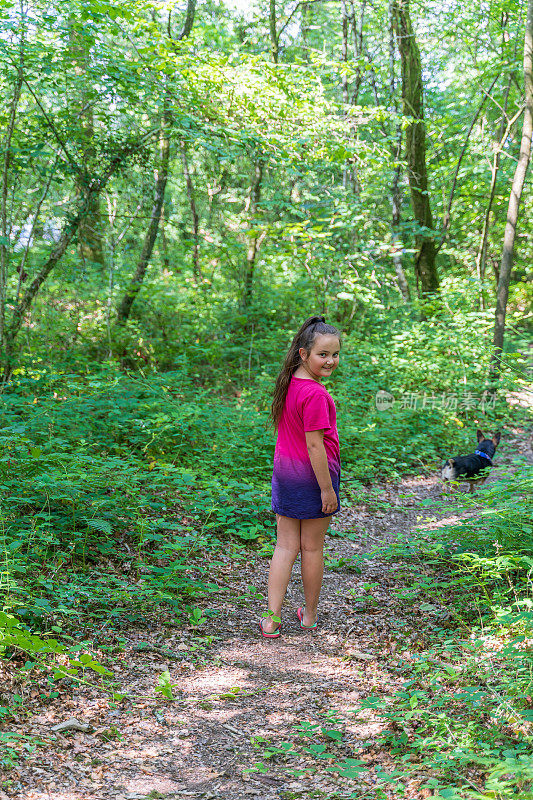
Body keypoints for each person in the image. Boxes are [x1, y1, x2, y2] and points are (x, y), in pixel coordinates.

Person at [259, 316, 341, 638]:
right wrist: (326, 490)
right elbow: (313, 445)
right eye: (323, 354)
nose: (331, 361)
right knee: (311, 549)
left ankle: (271, 618)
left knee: (284, 547)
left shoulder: (289, 383)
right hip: (313, 480)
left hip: (285, 476)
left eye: (335, 354)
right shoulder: (316, 395)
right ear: (304, 354)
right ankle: (308, 616)